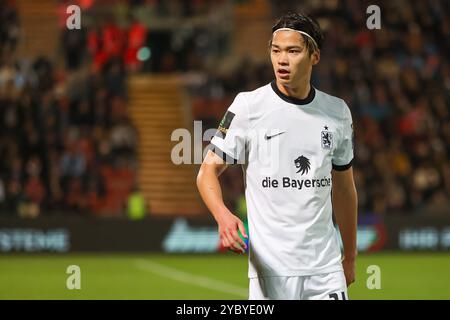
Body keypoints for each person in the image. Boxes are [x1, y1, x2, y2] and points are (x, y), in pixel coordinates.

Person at [196, 12, 357, 300]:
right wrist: (223, 216)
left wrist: (351, 256)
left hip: (325, 269)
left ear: (314, 56)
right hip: (271, 272)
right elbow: (206, 172)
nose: (282, 60)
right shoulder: (248, 107)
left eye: (293, 51)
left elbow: (344, 189)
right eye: (275, 50)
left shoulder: (337, 113)